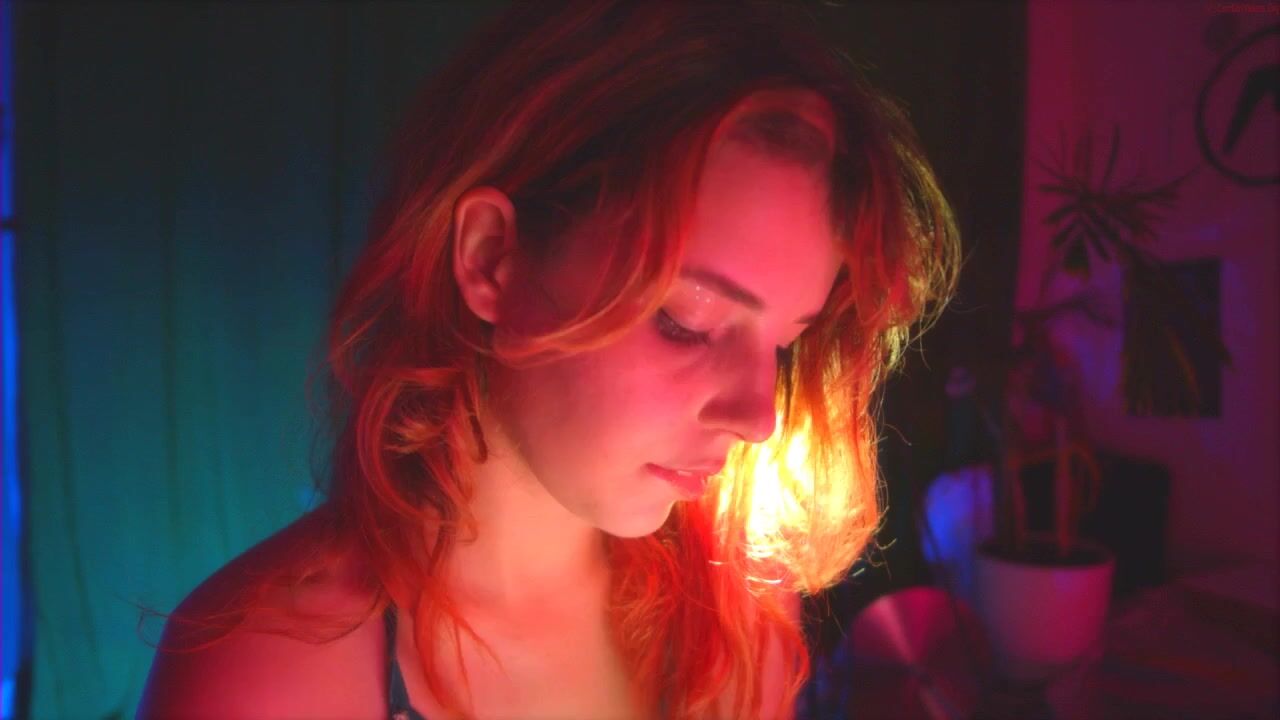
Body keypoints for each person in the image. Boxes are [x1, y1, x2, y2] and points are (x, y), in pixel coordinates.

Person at [137, 1, 959, 718]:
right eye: (687, 321)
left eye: (784, 343)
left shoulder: (738, 624)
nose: (757, 416)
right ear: (492, 257)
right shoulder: (269, 672)